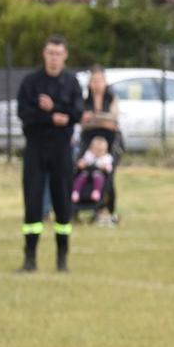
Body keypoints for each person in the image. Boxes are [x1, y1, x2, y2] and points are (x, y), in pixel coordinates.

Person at [15, 33, 84, 273]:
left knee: (63, 203)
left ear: (65, 55)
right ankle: (29, 259)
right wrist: (50, 117)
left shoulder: (71, 83)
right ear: (44, 54)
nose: (54, 58)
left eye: (58, 54)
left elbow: (76, 114)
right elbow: (24, 114)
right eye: (50, 53)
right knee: (33, 203)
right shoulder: (31, 82)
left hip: (61, 151)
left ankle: (62, 260)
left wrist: (55, 108)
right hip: (35, 149)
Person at [78, 65, 121, 225]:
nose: (97, 84)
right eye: (94, 81)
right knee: (84, 171)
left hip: (110, 142)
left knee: (107, 175)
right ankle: (82, 206)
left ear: (105, 82)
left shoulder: (111, 99)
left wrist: (94, 119)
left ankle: (107, 209)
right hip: (89, 143)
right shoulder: (85, 101)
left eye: (100, 80)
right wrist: (101, 120)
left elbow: (113, 122)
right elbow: (82, 122)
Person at [71, 136, 114, 205]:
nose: (98, 152)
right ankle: (75, 192)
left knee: (99, 179)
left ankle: (96, 191)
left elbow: (109, 168)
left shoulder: (106, 158)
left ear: (105, 150)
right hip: (86, 174)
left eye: (100, 150)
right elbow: (83, 161)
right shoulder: (88, 155)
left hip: (98, 174)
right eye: (95, 150)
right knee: (79, 179)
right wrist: (81, 164)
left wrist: (105, 168)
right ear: (91, 149)